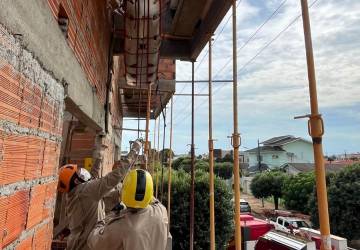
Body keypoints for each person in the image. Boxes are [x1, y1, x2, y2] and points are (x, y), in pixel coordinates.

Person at [57, 139, 142, 250]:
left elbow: (93, 177)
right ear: (76, 181)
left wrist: (100, 155)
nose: (83, 172)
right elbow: (114, 177)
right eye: (79, 173)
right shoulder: (86, 191)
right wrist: (134, 150)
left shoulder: (75, 193)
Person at [87, 169, 170, 250]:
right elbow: (151, 198)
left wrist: (106, 218)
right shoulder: (161, 211)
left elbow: (93, 242)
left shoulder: (121, 226)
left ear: (124, 192)